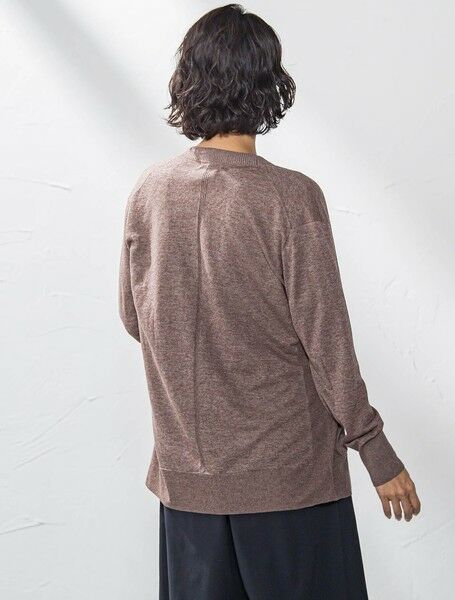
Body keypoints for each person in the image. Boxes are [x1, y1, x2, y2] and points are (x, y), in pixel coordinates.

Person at [119, 4, 421, 599]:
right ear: (268, 85)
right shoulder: (290, 198)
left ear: (188, 80)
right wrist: (376, 451)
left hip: (189, 488)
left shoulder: (149, 192)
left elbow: (136, 319)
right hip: (291, 484)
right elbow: (326, 340)